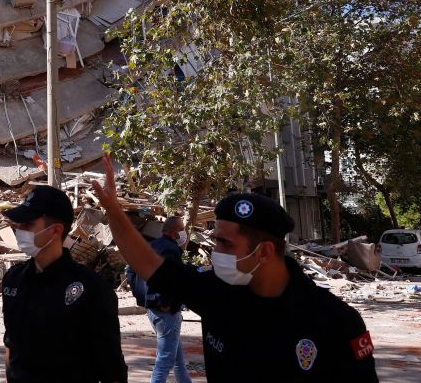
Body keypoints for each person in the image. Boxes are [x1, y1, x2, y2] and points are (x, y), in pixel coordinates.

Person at [92, 156, 378, 382]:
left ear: (264, 251)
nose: (215, 253)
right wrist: (113, 210)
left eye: (225, 244)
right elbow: (148, 264)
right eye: (215, 241)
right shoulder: (216, 292)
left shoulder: (335, 321)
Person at [1, 184, 128, 382]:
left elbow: (111, 365)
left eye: (28, 225)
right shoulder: (14, 279)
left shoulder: (91, 288)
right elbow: (11, 346)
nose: (19, 231)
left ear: (56, 230)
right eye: (18, 225)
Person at [145, 216, 192, 383]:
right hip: (166, 311)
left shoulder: (153, 245)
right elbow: (170, 277)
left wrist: (145, 297)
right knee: (165, 361)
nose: (184, 234)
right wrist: (165, 302)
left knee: (178, 360)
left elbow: (132, 270)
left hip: (153, 308)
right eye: (182, 230)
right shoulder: (170, 249)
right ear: (173, 232)